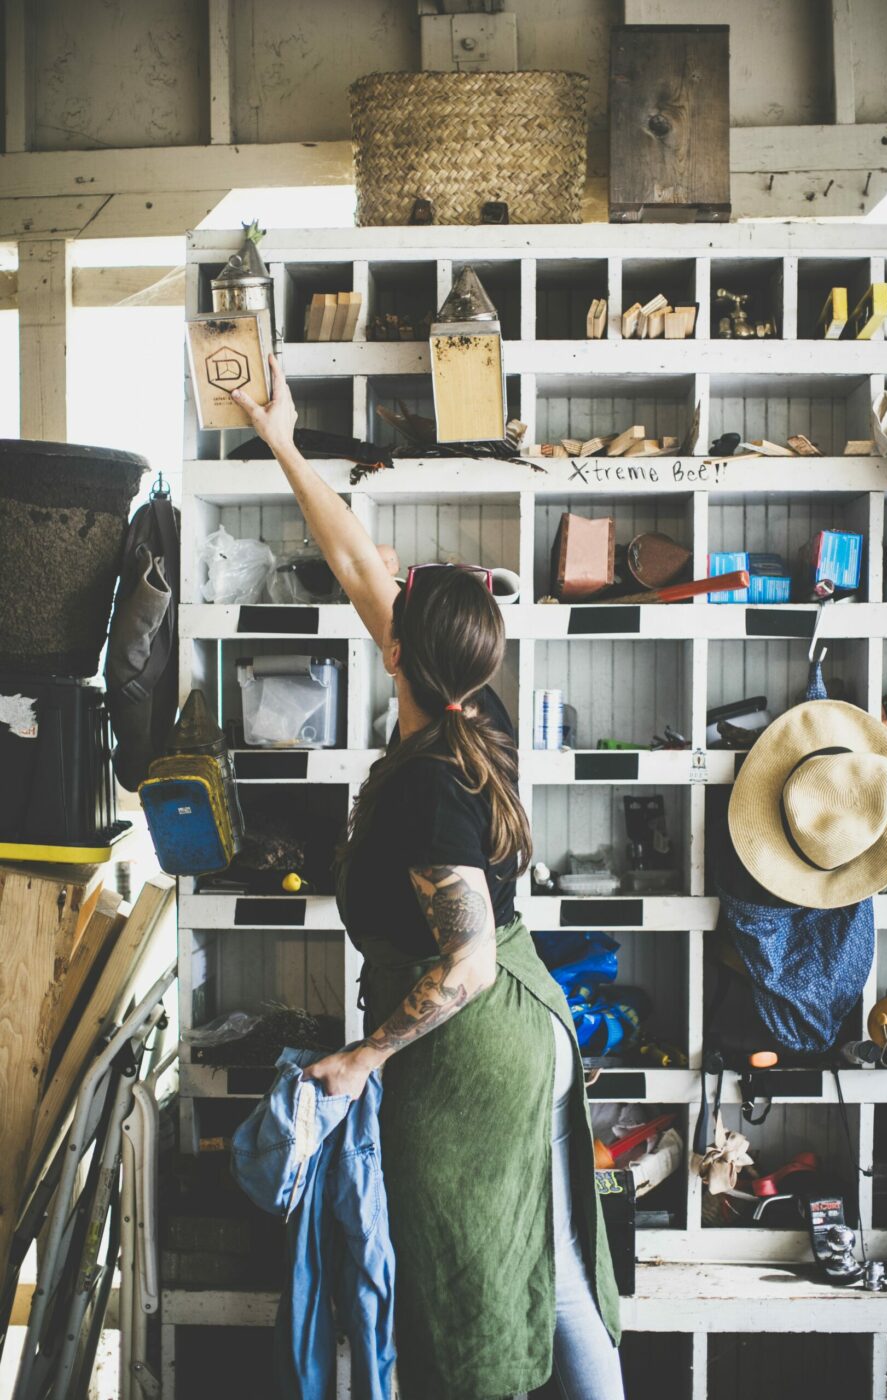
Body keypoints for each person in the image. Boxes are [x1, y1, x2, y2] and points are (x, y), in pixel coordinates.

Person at [232, 357, 624, 1400]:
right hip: (534, 1021)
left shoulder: (420, 787)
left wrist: (365, 1052)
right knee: (554, 1267)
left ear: (397, 651)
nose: (383, 586)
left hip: (472, 1040)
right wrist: (281, 436)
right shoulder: (466, 715)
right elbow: (355, 556)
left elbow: (465, 959)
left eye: (397, 601)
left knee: (460, 1278)